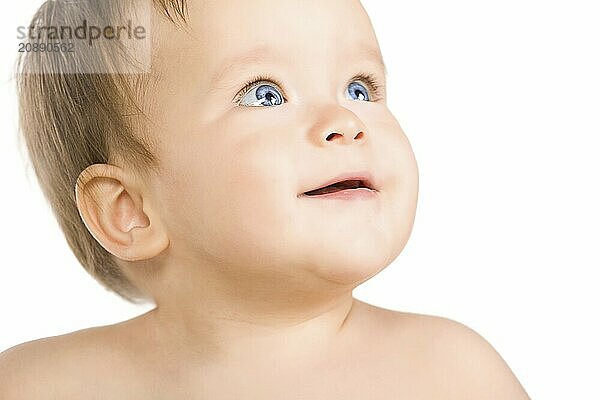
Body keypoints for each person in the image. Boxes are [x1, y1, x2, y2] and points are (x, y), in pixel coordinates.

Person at [0, 0, 530, 398]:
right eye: (265, 93)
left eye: (359, 88)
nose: (344, 122)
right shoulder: (37, 385)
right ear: (130, 210)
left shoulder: (451, 375)